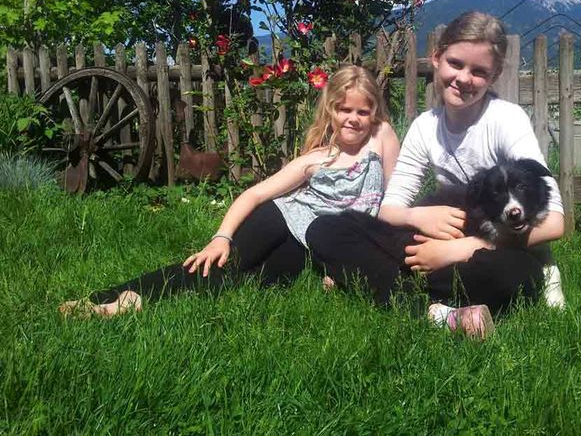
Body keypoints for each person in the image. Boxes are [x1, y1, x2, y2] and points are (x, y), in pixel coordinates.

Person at [60, 65, 400, 317]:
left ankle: (134, 301)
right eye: (345, 109)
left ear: (374, 113)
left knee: (255, 281)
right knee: (221, 262)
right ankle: (115, 297)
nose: (354, 118)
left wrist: (339, 267)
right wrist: (221, 237)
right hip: (280, 218)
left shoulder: (381, 136)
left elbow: (396, 196)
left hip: (311, 242)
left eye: (362, 111)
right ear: (331, 111)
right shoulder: (317, 158)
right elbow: (254, 195)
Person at [306, 12, 565, 339]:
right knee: (326, 228)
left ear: (495, 75)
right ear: (437, 58)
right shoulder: (424, 127)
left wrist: (462, 249)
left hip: (492, 252)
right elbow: (390, 209)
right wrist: (418, 216)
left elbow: (554, 224)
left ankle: (381, 283)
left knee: (516, 275)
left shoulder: (506, 119)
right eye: (455, 63)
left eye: (479, 71)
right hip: (432, 240)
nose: (464, 78)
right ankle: (434, 309)